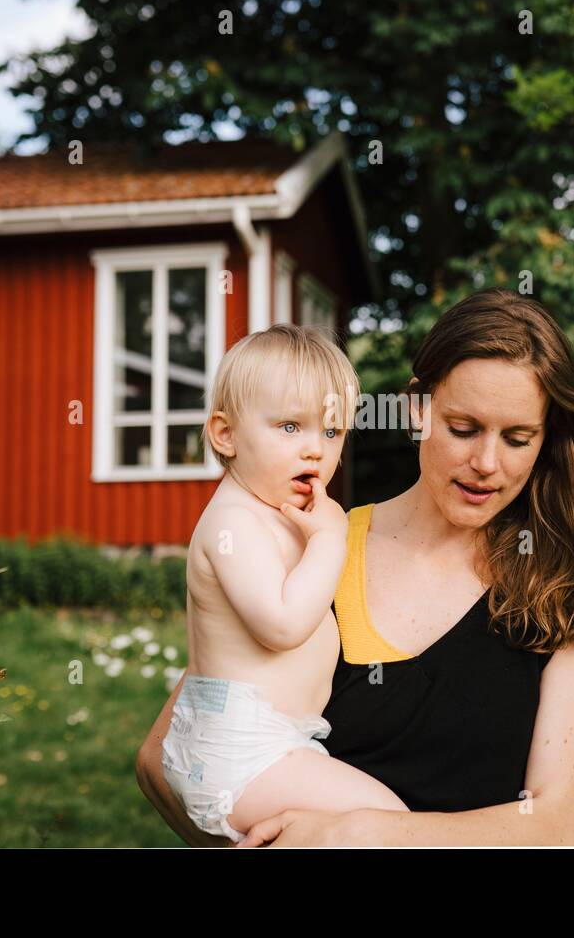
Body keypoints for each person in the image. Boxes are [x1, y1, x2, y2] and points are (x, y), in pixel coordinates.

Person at [136, 288, 574, 846]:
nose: (486, 464)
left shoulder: (566, 584)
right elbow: (165, 755)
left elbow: (552, 828)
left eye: (518, 439)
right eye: (463, 429)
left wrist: (359, 835)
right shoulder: (316, 545)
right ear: (416, 410)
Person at [157, 324, 408, 844]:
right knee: (388, 821)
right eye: (290, 427)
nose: (315, 450)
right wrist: (331, 539)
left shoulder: (277, 514)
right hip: (240, 750)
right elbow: (282, 624)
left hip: (269, 743)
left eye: (332, 432)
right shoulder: (233, 522)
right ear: (225, 434)